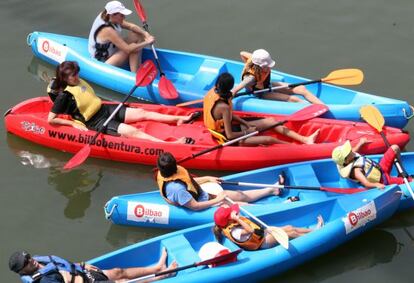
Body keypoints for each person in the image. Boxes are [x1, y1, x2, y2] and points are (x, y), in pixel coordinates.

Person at [47, 61, 198, 144]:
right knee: (133, 132)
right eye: (73, 75)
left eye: (76, 73)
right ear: (65, 78)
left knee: (142, 113)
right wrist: (72, 124)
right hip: (95, 122)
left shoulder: (78, 81)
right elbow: (51, 120)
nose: (77, 76)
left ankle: (178, 119)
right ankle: (169, 145)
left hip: (104, 110)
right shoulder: (64, 96)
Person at [203, 72, 319, 145]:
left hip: (231, 127)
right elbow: (229, 135)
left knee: (271, 122)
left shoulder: (213, 91)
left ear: (218, 84)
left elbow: (228, 117)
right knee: (269, 140)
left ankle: (305, 139)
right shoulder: (223, 107)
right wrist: (247, 132)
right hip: (226, 138)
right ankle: (296, 148)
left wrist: (245, 123)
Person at [156, 152, 284, 210]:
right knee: (242, 207)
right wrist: (217, 200)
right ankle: (279, 207)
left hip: (202, 194)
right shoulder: (176, 189)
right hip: (202, 203)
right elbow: (194, 206)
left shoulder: (173, 172)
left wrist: (207, 178)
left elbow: (189, 181)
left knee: (239, 194)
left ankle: (272, 190)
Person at [9, 249, 177, 282]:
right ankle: (163, 275)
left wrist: (84, 265)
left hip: (84, 274)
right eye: (26, 262)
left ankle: (157, 267)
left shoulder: (40, 262)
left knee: (118, 272)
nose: (31, 260)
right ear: (22, 270)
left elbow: (65, 265)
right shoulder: (45, 281)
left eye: (28, 257)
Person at [213, 204, 324, 250]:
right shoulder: (235, 231)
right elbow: (250, 230)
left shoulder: (226, 224)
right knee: (291, 234)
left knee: (290, 227)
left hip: (262, 234)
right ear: (229, 220)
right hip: (262, 242)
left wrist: (237, 217)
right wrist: (237, 219)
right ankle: (316, 234)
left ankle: (313, 230)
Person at [231, 49, 324, 105]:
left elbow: (242, 53)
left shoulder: (253, 58)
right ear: (260, 66)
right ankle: (316, 110)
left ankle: (324, 107)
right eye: (266, 66)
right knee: (293, 99)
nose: (269, 67)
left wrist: (246, 64)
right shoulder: (251, 78)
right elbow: (235, 90)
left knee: (301, 89)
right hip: (261, 93)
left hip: (268, 85)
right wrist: (230, 95)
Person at [88, 1, 154, 72]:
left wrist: (145, 33)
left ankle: (136, 68)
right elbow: (128, 49)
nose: (124, 17)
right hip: (103, 63)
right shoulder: (108, 30)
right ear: (113, 14)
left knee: (137, 35)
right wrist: (147, 42)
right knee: (133, 47)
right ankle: (134, 75)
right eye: (122, 15)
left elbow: (130, 26)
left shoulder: (108, 16)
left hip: (110, 50)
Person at [332, 138, 412, 189]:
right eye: (348, 152)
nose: (350, 151)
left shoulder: (350, 156)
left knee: (395, 148)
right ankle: (407, 180)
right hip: (383, 180)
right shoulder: (356, 171)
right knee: (411, 182)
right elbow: (366, 183)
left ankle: (401, 173)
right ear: (346, 160)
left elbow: (354, 150)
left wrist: (361, 143)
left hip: (381, 168)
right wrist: (377, 185)